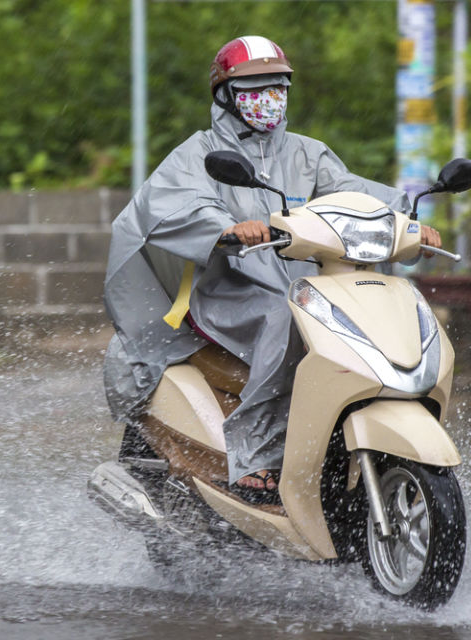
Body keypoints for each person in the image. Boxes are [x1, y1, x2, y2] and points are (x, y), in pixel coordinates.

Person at [103, 35, 441, 493]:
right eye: (254, 88)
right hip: (230, 295)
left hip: (309, 288)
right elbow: (175, 205)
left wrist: (406, 218)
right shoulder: (199, 155)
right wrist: (224, 227)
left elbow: (352, 193)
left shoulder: (307, 153)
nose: (269, 99)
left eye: (277, 87)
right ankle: (254, 456)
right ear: (225, 96)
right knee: (284, 316)